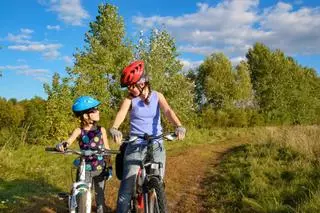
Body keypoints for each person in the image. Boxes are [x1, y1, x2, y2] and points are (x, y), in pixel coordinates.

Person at [109, 60, 186, 213]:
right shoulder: (129, 99)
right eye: (128, 86)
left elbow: (168, 111)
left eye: (132, 85)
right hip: (135, 144)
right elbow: (121, 114)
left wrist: (179, 125)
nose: (130, 89)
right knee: (127, 187)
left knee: (157, 182)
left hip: (156, 143)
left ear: (142, 82)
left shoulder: (158, 96)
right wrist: (114, 128)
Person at [55, 96, 111, 213]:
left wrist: (109, 166)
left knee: (100, 197)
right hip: (84, 168)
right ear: (86, 115)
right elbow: (68, 141)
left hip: (100, 168)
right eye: (94, 110)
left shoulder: (102, 130)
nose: (98, 111)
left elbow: (107, 149)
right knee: (82, 195)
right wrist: (62, 145)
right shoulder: (79, 131)